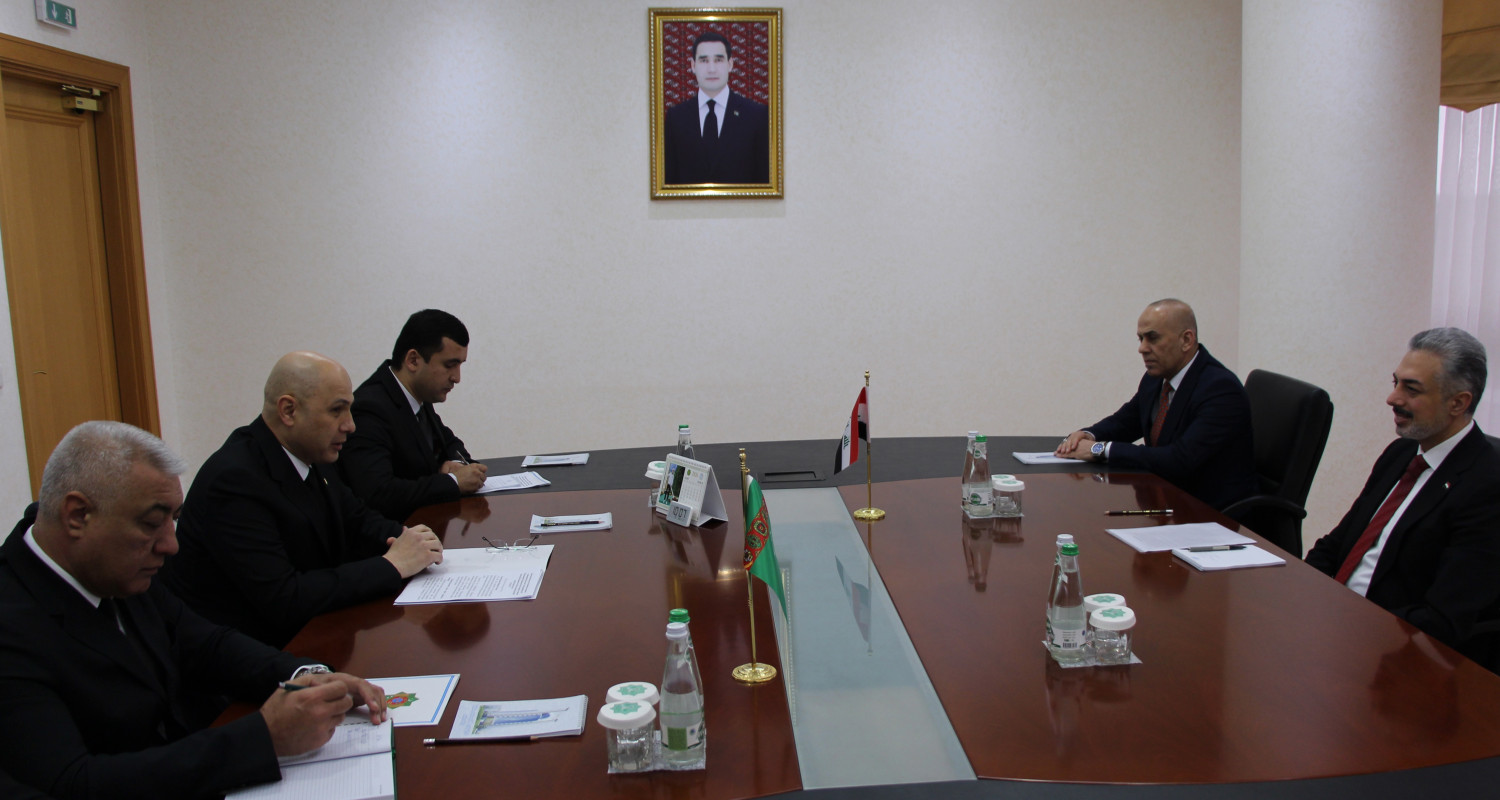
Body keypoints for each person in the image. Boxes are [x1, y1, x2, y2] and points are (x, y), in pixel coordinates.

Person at [0, 421, 388, 800]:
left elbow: (206, 645)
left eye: (174, 520)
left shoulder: (115, 567)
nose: (171, 545)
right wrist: (264, 739)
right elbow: (73, 784)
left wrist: (309, 676)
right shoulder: (13, 623)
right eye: (151, 523)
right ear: (77, 515)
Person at [160, 352, 444, 648]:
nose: (350, 425)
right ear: (289, 411)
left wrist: (412, 540)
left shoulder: (310, 453)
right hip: (248, 653)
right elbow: (285, 598)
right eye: (337, 410)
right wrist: (392, 565)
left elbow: (357, 519)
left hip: (310, 635)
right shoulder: (234, 480)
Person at [1306, 328, 1500, 666]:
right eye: (1395, 383)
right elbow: (1337, 546)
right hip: (1334, 627)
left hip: (1392, 655)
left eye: (1411, 389)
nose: (1392, 398)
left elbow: (1443, 619)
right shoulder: (1401, 453)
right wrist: (1298, 591)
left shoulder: (1487, 485)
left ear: (1458, 402)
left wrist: (1347, 622)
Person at [1055, 298, 1257, 512]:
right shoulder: (1156, 378)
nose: (1142, 348)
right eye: (1140, 338)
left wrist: (1100, 449)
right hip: (1168, 500)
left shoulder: (1220, 389)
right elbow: (1127, 421)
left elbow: (1179, 460)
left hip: (1212, 513)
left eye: (1152, 338)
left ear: (1186, 340)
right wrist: (1089, 435)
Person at [341, 309, 486, 521]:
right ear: (413, 360)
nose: (457, 378)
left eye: (460, 365)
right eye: (450, 365)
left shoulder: (417, 397)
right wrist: (453, 482)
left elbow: (450, 443)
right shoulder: (369, 408)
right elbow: (378, 493)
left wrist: (456, 464)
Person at [663, 31, 769, 185]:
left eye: (718, 60)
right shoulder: (676, 117)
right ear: (693, 65)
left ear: (730, 64)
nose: (711, 69)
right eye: (704, 60)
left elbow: (764, 181)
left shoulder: (756, 115)